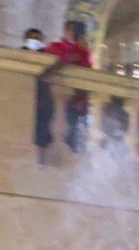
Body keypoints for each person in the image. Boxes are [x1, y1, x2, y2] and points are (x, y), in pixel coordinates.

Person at [43, 20, 93, 153]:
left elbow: (87, 72)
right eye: (70, 30)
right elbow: (58, 63)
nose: (72, 33)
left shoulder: (84, 52)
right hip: (51, 100)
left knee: (72, 138)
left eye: (76, 31)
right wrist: (78, 50)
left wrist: (84, 52)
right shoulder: (55, 46)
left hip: (75, 102)